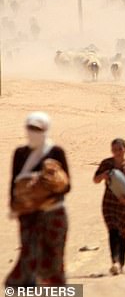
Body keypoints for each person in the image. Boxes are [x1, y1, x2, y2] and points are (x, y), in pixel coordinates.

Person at [6, 112, 71, 287]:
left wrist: (44, 192)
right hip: (28, 216)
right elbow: (13, 183)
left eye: (38, 129)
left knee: (54, 265)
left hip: (53, 215)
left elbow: (67, 186)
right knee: (28, 261)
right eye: (30, 128)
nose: (33, 132)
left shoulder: (56, 152)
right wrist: (14, 206)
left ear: (46, 129)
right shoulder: (20, 153)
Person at [93, 139, 125, 275]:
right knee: (112, 230)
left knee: (122, 233)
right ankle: (115, 262)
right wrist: (103, 175)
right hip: (109, 203)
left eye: (120, 149)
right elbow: (95, 180)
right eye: (114, 150)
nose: (117, 152)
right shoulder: (106, 164)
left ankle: (122, 263)